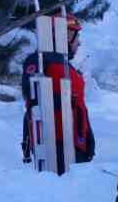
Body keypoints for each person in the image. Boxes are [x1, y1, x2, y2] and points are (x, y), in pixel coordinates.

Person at [20, 15, 96, 163]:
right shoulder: (40, 61)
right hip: (54, 148)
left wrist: (89, 139)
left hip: (76, 146)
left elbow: (79, 108)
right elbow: (33, 97)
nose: (79, 43)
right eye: (76, 36)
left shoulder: (68, 68)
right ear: (66, 35)